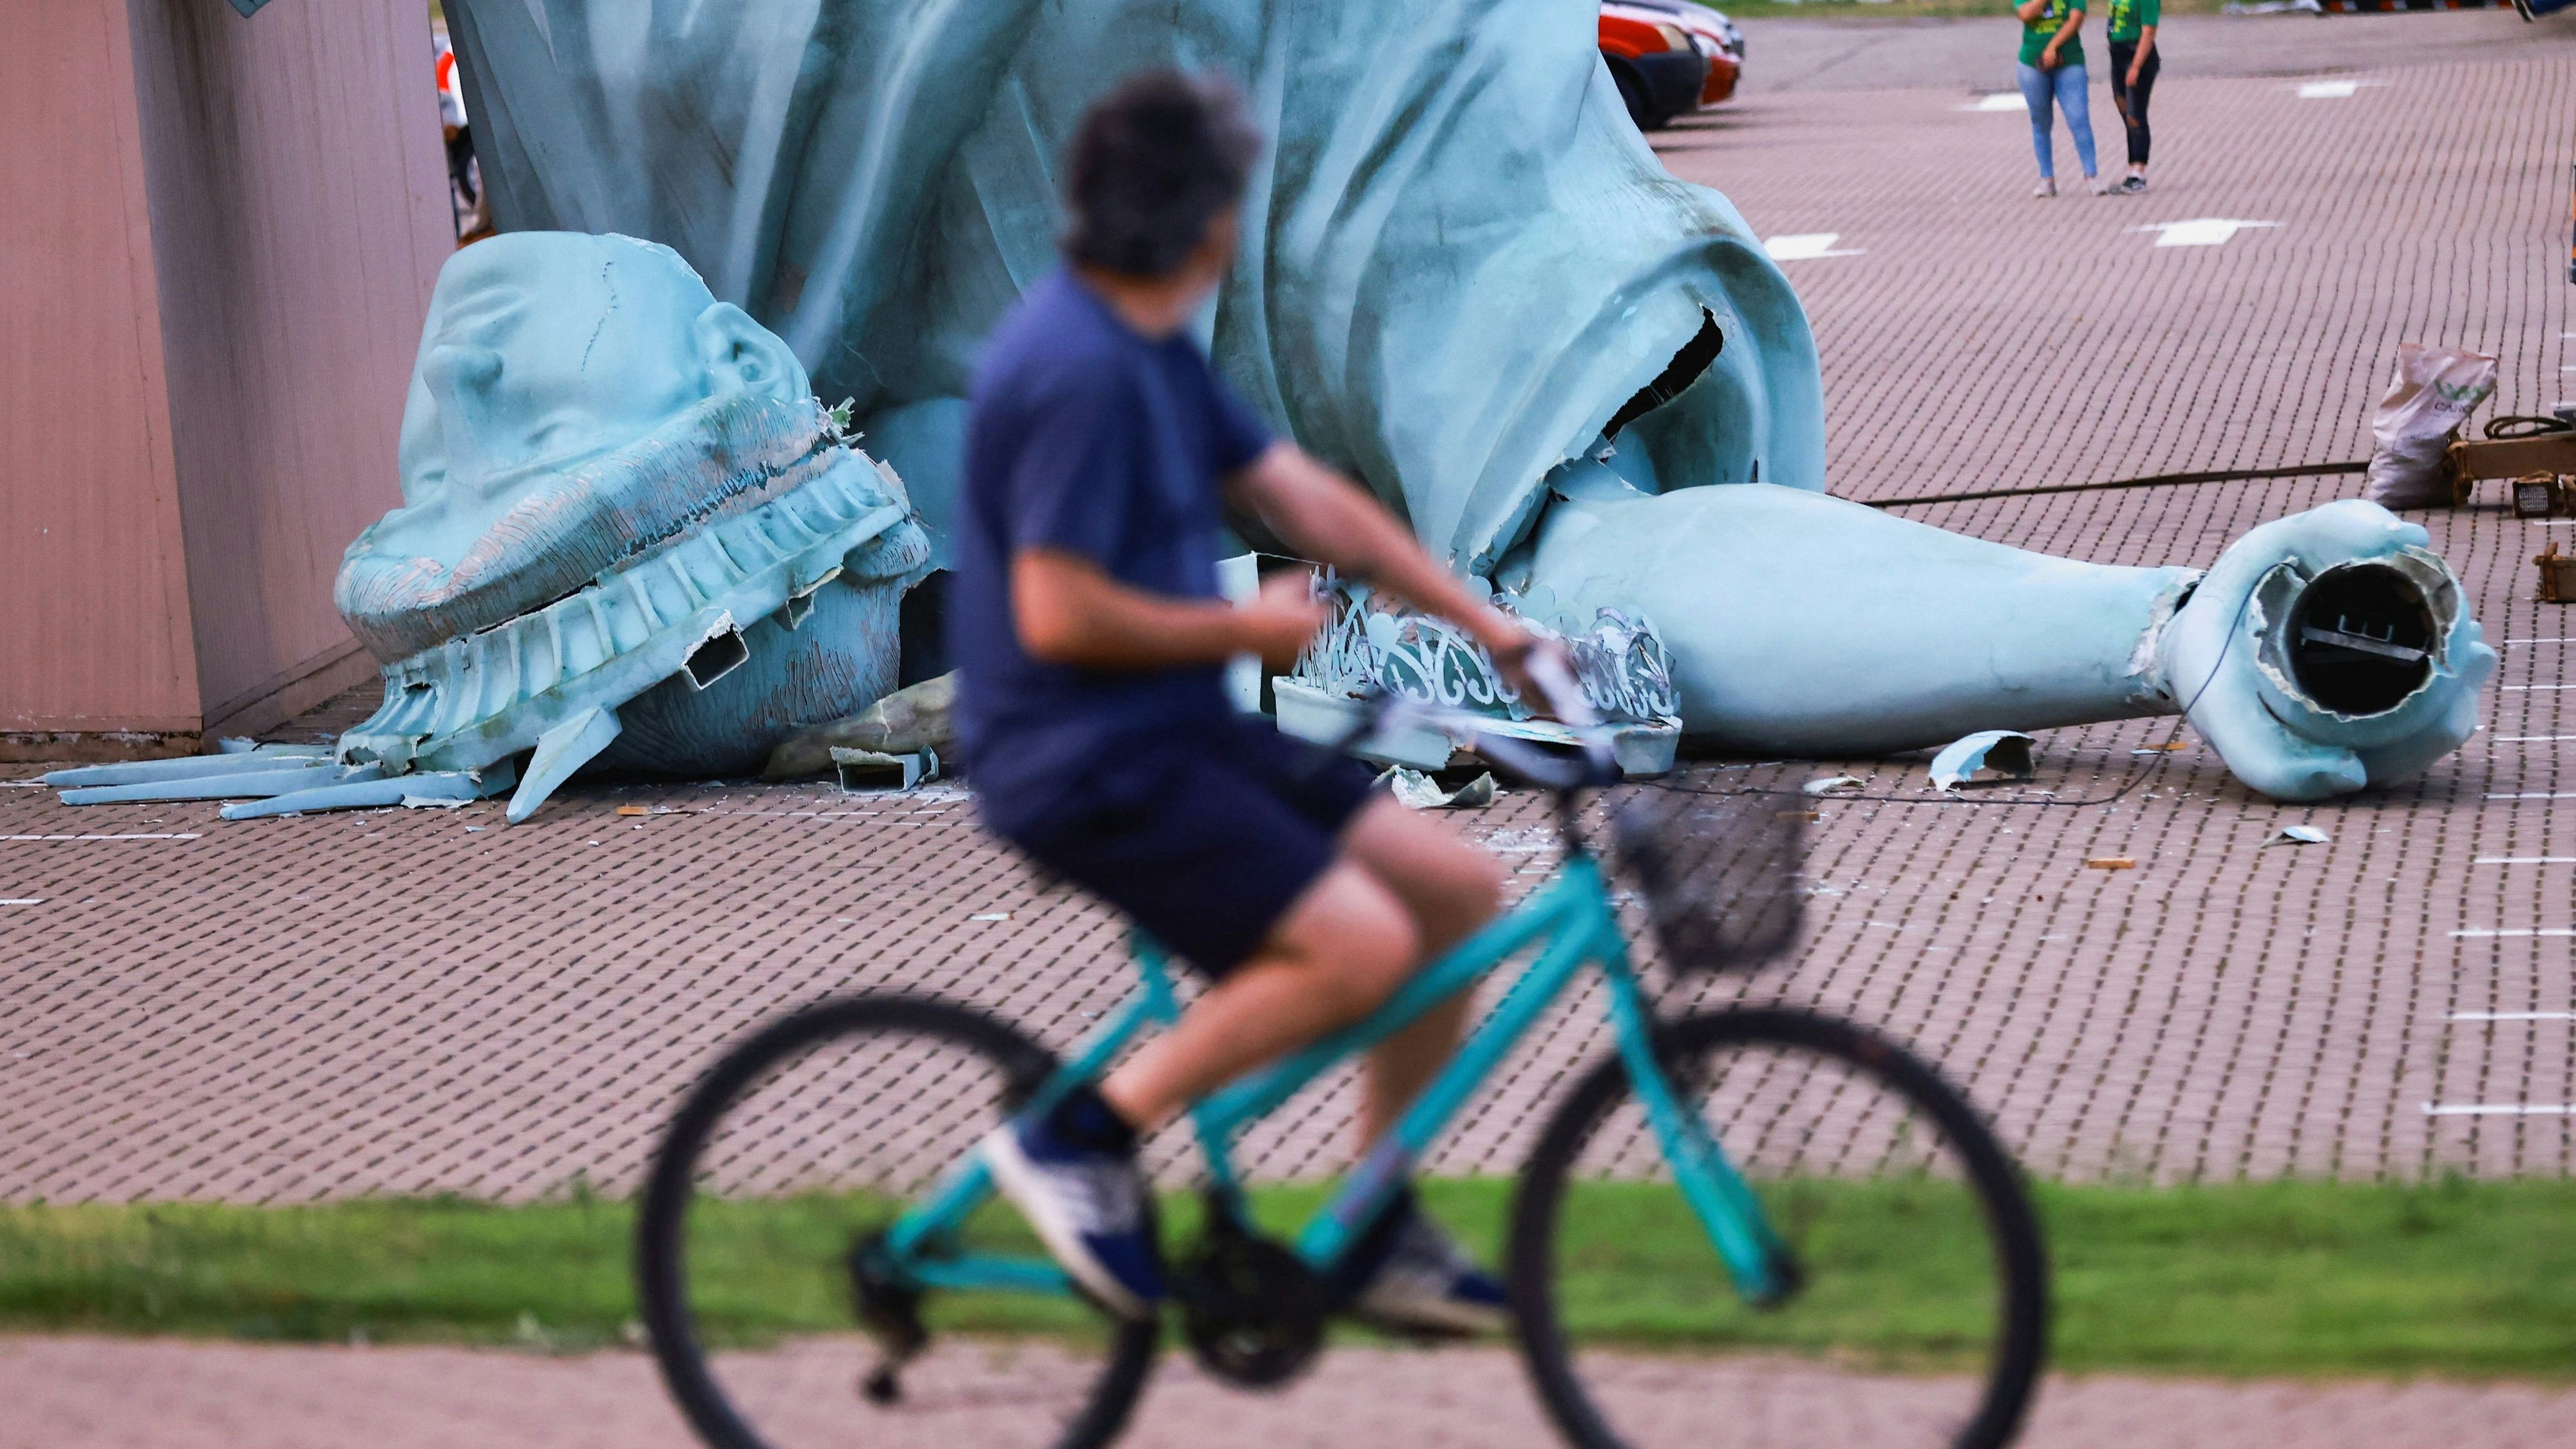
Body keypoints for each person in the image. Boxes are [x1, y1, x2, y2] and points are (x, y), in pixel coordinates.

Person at [952, 70, 1544, 1331]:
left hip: (1173, 729)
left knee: (1454, 892)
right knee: (1359, 944)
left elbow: (1303, 498)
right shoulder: (1075, 369)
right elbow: (1057, 614)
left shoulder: (1149, 348)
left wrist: (1490, 624)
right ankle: (1078, 1135)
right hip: (1077, 755)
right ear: (1208, 218)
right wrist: (1248, 625)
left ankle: (1375, 1221)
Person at [2014, 0, 2107, 197]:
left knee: (2078, 117)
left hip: (2069, 60)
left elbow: (2076, 19)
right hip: (2033, 62)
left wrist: (2053, 46)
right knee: (2040, 120)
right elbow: (2025, 14)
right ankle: (2047, 179)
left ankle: (2092, 176)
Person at [2105, 0, 2161, 193]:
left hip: (2137, 56)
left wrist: (2136, 67)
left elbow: (2149, 32)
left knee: (2136, 113)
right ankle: (2131, 168)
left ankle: (2138, 172)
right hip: (2118, 56)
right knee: (2124, 109)